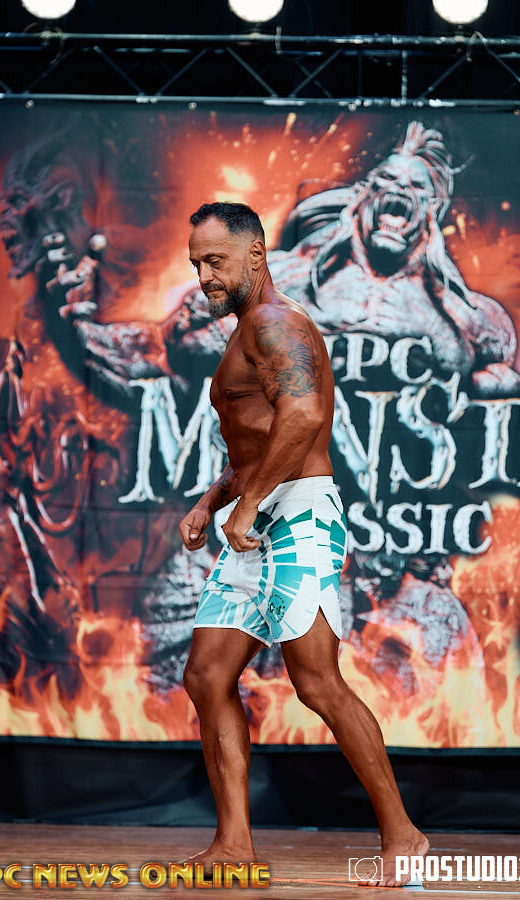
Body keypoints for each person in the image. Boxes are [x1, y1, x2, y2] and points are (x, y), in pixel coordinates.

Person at [178, 201, 429, 888]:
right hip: (260, 515)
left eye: (216, 261)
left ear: (256, 255)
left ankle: (403, 835)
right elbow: (258, 438)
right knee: (207, 675)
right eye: (197, 264)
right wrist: (212, 499)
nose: (205, 276)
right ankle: (234, 845)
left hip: (297, 516)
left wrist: (250, 503)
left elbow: (304, 415)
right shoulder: (249, 329)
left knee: (316, 681)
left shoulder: (275, 322)